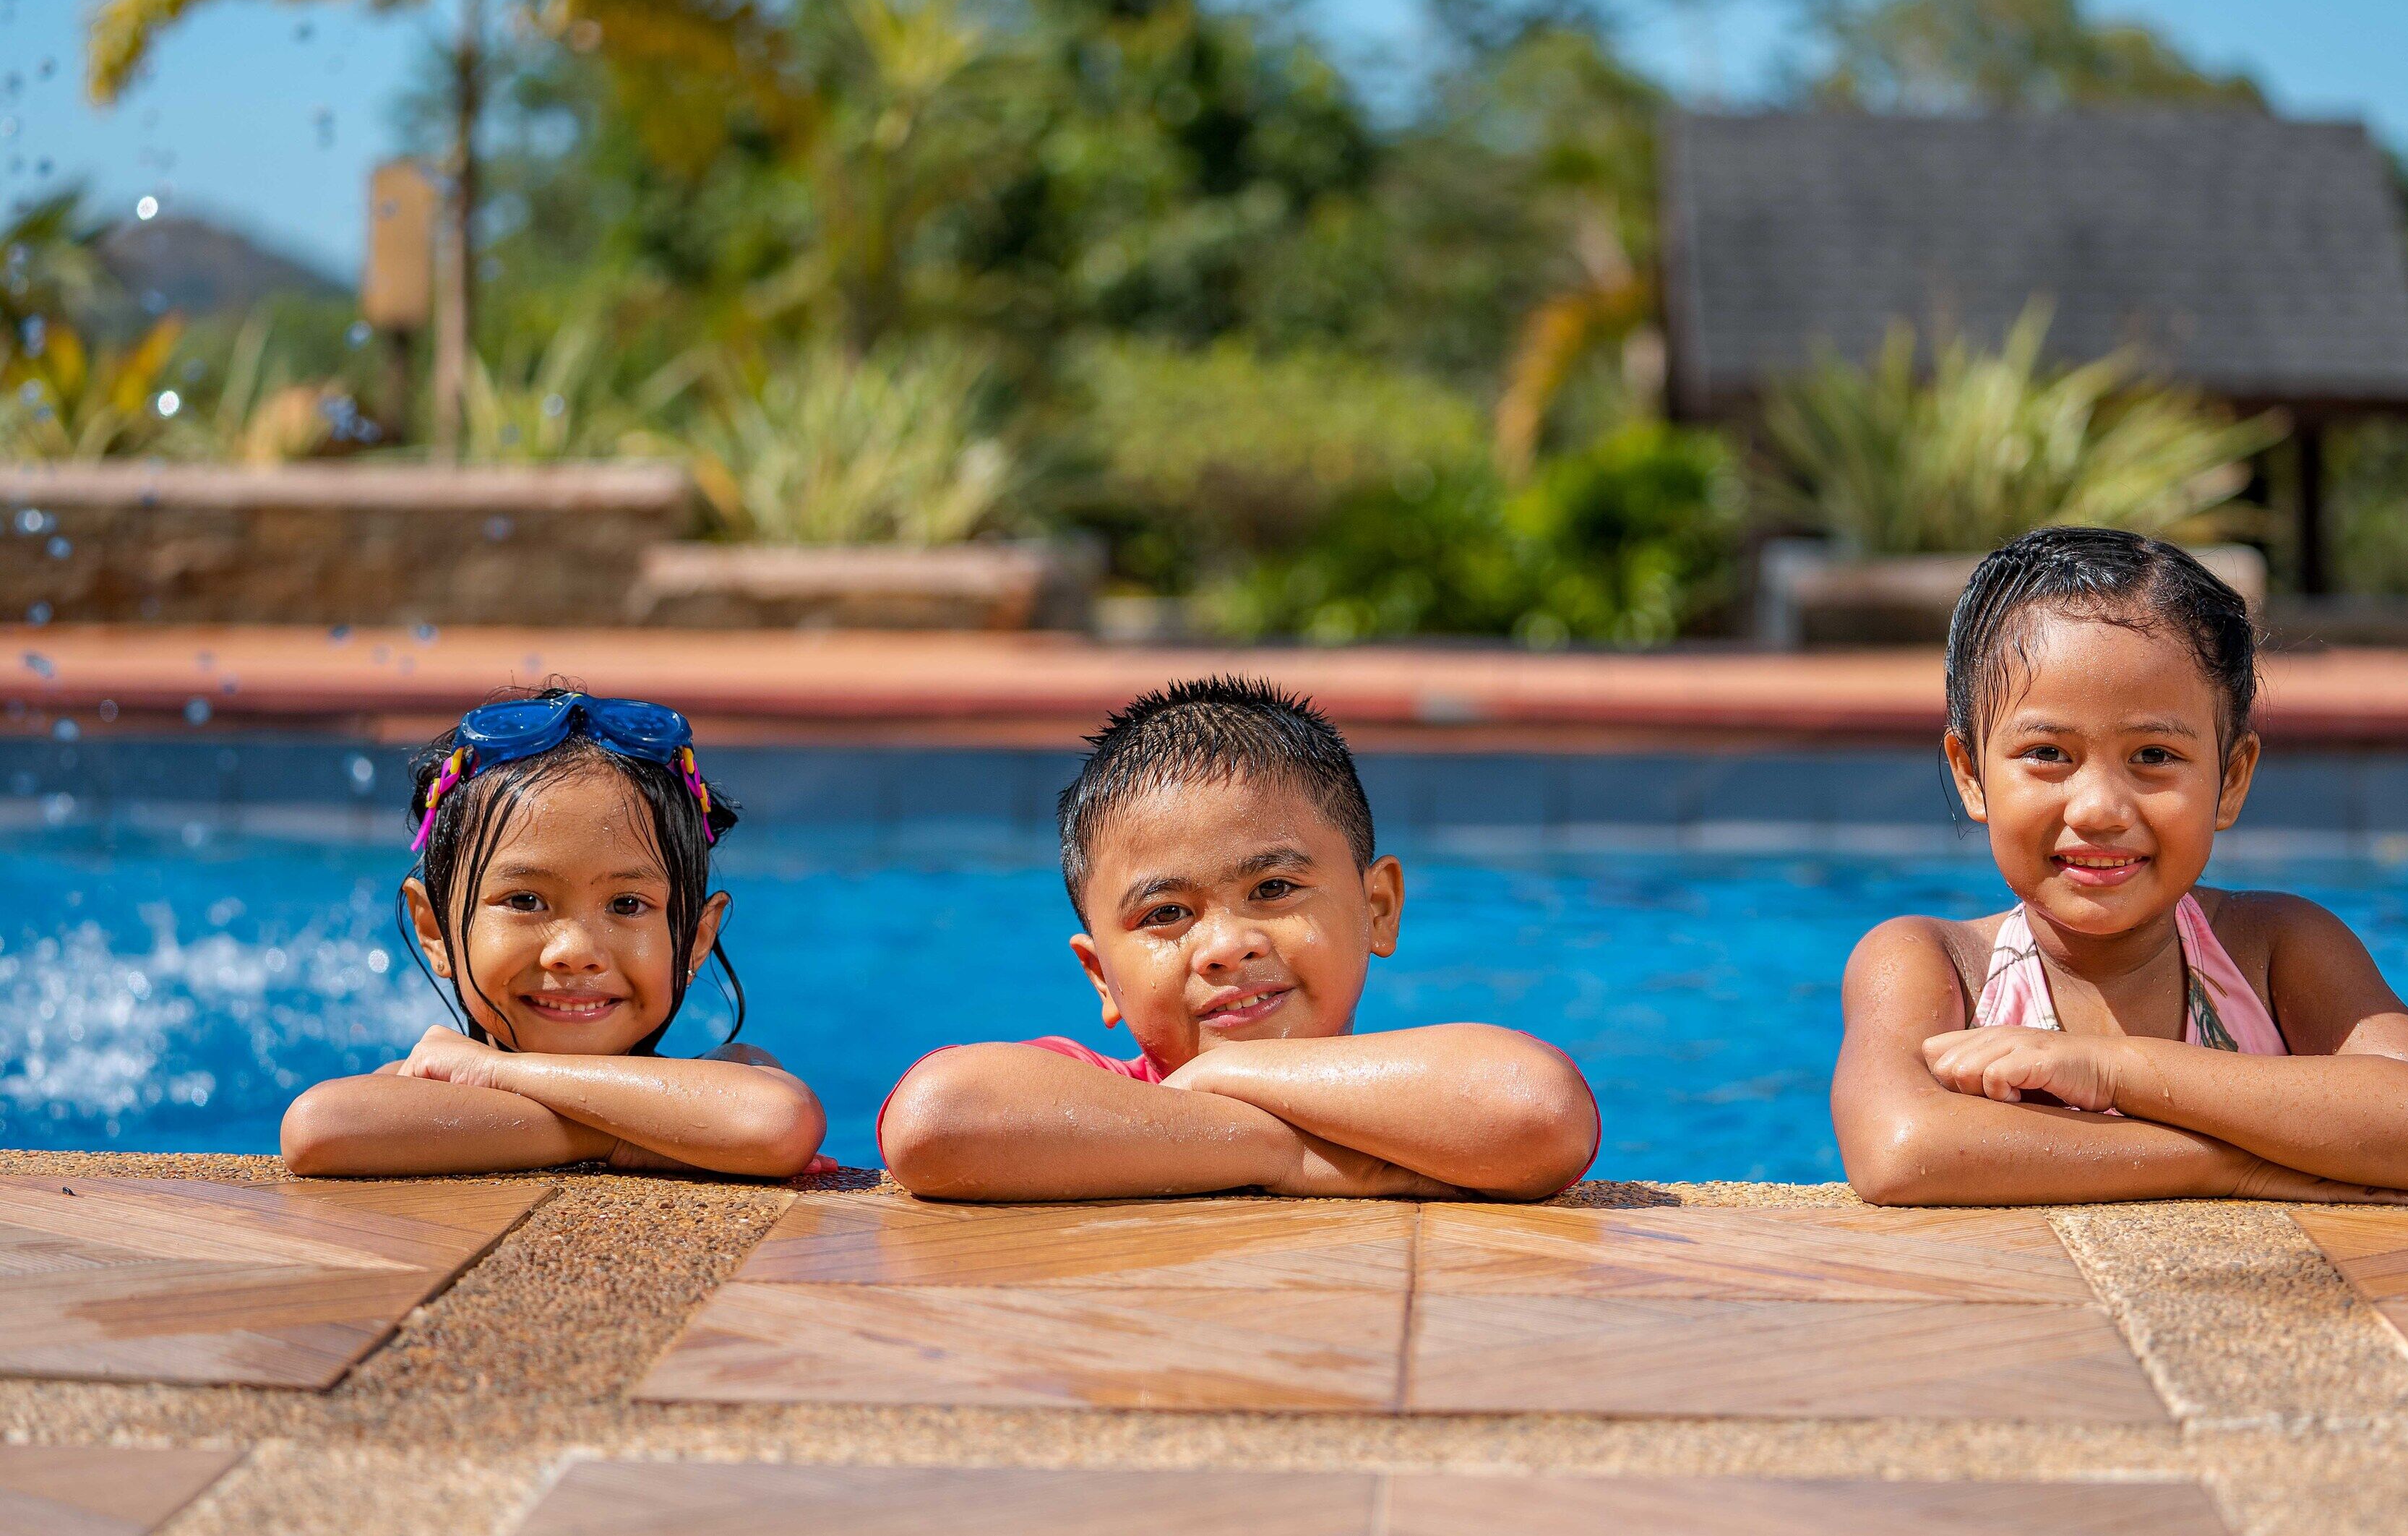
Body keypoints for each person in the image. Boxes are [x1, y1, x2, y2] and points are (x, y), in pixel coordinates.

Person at [1832, 527, 2408, 1206]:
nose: (2099, 809)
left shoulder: (2275, 949)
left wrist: (2115, 1070)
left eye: (2154, 756)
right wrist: (2227, 1168)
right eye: (2048, 753)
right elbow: (1901, 1150)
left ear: (2230, 779)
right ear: (1971, 774)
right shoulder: (1933, 965)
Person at [879, 677, 1600, 1201]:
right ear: (1102, 977)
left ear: (1378, 906)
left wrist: (1225, 1076)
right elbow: (936, 1118)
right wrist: (1276, 1151)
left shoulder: (1417, 1097)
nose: (1225, 944)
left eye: (1274, 889)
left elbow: (1536, 1106)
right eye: (1165, 913)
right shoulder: (1097, 1092)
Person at [280, 688, 828, 1180]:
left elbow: (777, 1121)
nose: (576, 952)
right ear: (435, 930)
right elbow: (317, 1128)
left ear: (697, 939)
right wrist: (633, 1137)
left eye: (627, 903)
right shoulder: (417, 1086)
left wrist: (500, 1073)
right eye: (524, 900)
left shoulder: (736, 1073)